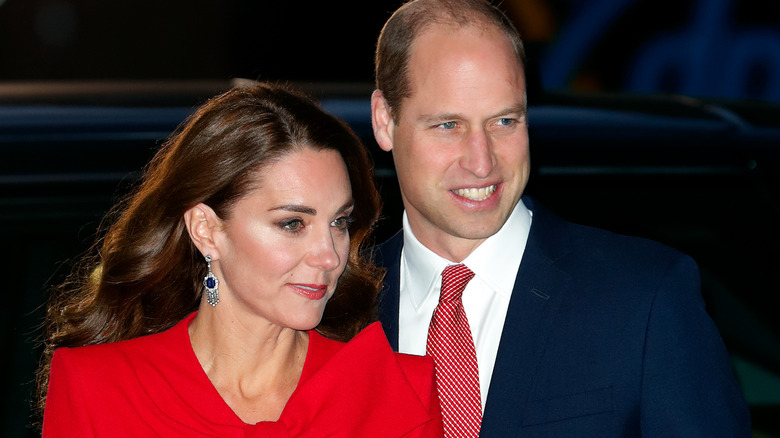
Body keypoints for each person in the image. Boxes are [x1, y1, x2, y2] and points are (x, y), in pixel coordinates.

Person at [369, 0, 751, 436]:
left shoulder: (645, 299)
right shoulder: (330, 306)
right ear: (385, 120)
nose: (481, 162)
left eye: (504, 121)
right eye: (448, 125)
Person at [37, 82, 443, 437]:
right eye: (292, 223)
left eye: (338, 222)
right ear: (206, 230)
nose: (329, 256)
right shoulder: (98, 389)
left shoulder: (395, 392)